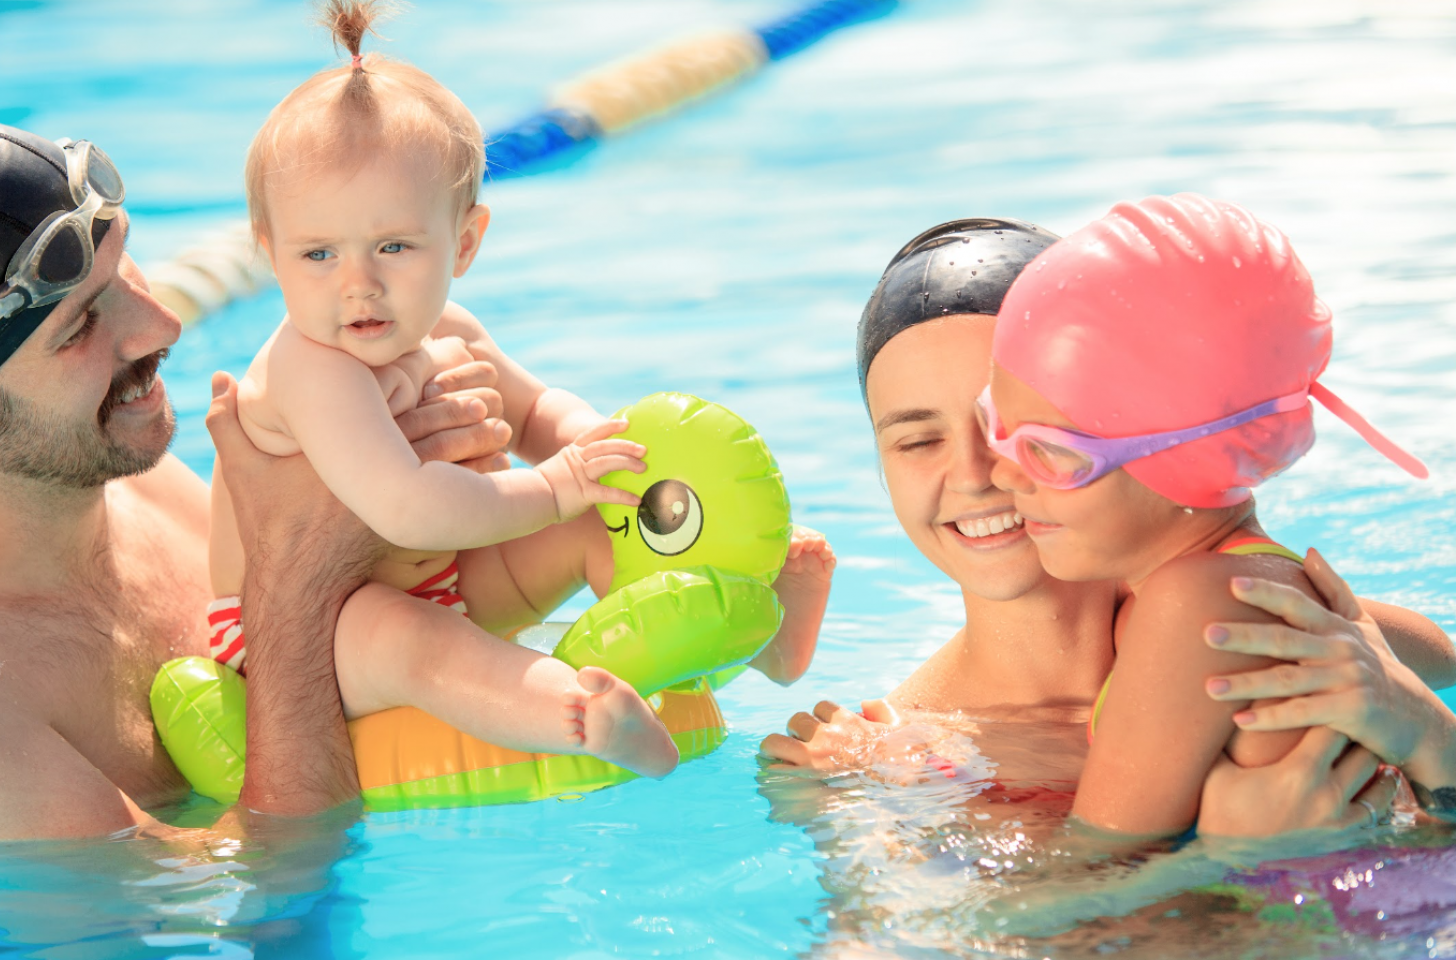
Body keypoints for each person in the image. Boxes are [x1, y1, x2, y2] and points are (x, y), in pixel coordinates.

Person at [0, 108, 512, 844]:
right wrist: (301, 580)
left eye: (125, 266)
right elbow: (243, 914)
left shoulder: (137, 485)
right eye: (82, 325)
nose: (161, 327)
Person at [207, 1, 833, 777]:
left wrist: (603, 452)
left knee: (603, 521)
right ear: (269, 254)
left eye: (393, 246)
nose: (357, 285)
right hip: (305, 627)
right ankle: (578, 717)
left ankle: (755, 644)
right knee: (409, 637)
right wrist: (556, 484)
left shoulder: (453, 332)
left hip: (450, 581)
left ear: (464, 241)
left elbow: (536, 410)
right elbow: (409, 507)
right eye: (318, 255)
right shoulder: (311, 368)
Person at [761, 216, 1453, 836]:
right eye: (918, 442)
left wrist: (1417, 721)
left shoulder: (1230, 616)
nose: (984, 473)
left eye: (1025, 434)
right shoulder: (882, 763)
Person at [984, 193, 1434, 837]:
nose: (1001, 473)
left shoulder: (1191, 607)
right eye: (995, 423)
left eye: (1048, 452)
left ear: (1183, 458)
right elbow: (1437, 654)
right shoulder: (1270, 587)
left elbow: (1083, 882)